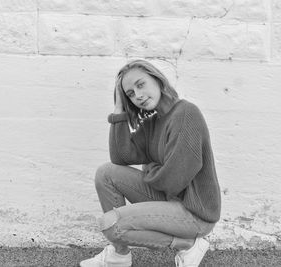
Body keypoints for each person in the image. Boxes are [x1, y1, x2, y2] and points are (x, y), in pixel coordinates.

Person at [80, 59, 221, 267]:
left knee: (111, 225)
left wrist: (151, 168)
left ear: (157, 80)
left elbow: (173, 180)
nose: (137, 95)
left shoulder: (186, 114)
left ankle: (188, 244)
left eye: (140, 84)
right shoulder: (153, 122)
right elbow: (120, 157)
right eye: (130, 93)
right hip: (169, 200)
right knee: (106, 173)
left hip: (194, 213)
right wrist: (119, 108)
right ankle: (118, 256)